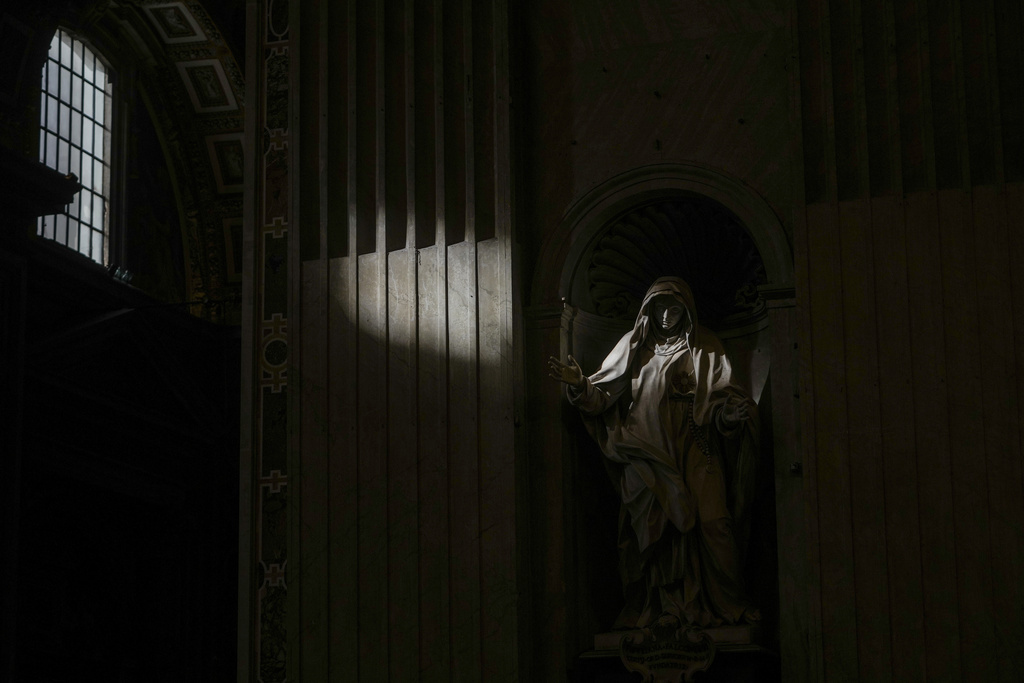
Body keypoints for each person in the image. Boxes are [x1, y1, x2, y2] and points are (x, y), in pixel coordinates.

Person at [549, 276, 760, 629]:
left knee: (714, 524)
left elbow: (722, 401)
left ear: (687, 312)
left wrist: (731, 416)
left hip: (696, 446)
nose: (666, 315)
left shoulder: (706, 347)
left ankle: (728, 605)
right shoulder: (632, 348)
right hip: (645, 452)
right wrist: (581, 384)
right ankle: (663, 607)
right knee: (653, 532)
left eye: (674, 308)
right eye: (660, 308)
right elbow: (601, 399)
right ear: (648, 310)